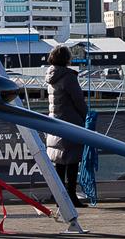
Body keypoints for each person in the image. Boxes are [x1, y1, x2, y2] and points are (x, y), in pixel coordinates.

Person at [45, 45, 88, 208]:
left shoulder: (51, 77)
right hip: (71, 124)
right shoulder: (68, 77)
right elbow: (78, 101)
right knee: (72, 161)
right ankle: (71, 197)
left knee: (59, 161)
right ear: (67, 59)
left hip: (55, 123)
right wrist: (87, 117)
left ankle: (59, 196)